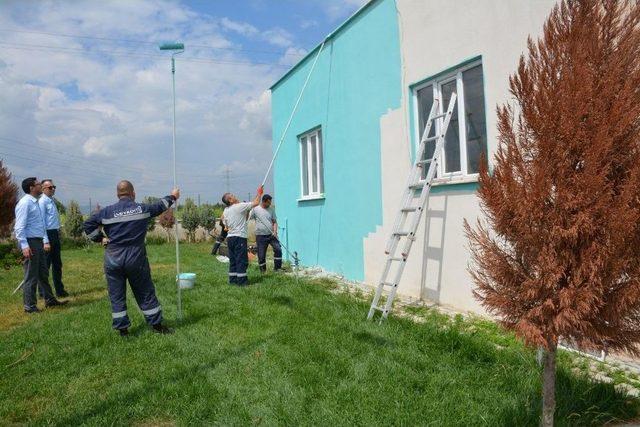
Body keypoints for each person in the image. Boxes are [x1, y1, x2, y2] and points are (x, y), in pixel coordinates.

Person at [83, 180, 178, 336]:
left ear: (117, 194)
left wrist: (100, 239)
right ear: (133, 193)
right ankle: (157, 325)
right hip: (135, 258)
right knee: (145, 292)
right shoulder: (141, 209)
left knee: (116, 294)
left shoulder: (106, 212)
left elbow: (87, 225)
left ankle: (123, 330)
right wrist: (173, 196)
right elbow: (160, 206)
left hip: (113, 258)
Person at [14, 177, 67, 313]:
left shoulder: (35, 202)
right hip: (30, 242)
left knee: (43, 273)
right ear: (32, 188)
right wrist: (25, 246)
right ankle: (29, 306)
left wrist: (44, 240)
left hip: (38, 241)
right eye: (38, 185)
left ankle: (49, 300)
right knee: (31, 276)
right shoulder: (25, 203)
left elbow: (40, 224)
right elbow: (19, 227)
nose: (41, 187)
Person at [221, 186, 263, 285]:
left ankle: (233, 280)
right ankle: (242, 282)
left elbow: (244, 218)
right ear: (230, 200)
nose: (235, 196)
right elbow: (256, 203)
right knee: (241, 260)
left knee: (233, 260)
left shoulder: (226, 210)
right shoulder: (239, 206)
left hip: (230, 238)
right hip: (239, 238)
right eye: (232, 196)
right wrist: (259, 193)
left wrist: (247, 210)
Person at [38, 179, 68, 297]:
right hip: (47, 235)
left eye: (54, 186)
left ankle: (59, 290)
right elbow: (42, 223)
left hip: (54, 234)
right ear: (43, 189)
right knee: (45, 265)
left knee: (57, 264)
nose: (53, 189)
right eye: (50, 187)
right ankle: (42, 292)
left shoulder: (51, 200)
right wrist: (45, 241)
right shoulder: (42, 202)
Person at [249, 194, 282, 273]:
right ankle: (263, 271)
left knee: (278, 249)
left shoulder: (271, 209)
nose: (270, 204)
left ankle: (277, 268)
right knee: (261, 255)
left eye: (270, 202)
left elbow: (274, 222)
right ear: (263, 202)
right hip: (260, 236)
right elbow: (248, 217)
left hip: (271, 235)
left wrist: (275, 232)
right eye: (268, 203)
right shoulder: (255, 209)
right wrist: (250, 208)